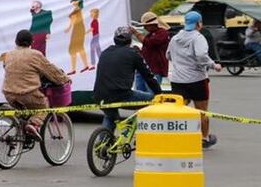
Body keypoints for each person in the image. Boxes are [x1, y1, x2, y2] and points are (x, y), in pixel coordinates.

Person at [0, 29, 71, 136]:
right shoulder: (35, 55)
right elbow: (51, 71)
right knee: (44, 105)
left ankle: (21, 130)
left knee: (22, 112)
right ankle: (34, 124)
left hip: (8, 93)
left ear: (16, 41)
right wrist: (64, 79)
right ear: (31, 43)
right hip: (27, 93)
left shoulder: (8, 55)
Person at [168, 10, 222, 149]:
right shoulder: (198, 38)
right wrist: (214, 65)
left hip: (178, 80)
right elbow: (201, 55)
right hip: (197, 80)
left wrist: (180, 63)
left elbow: (168, 55)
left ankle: (180, 137)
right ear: (198, 24)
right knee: (202, 111)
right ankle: (204, 138)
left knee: (180, 111)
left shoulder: (175, 38)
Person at [93, 26, 162, 130]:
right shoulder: (133, 54)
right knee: (153, 99)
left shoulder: (105, 52)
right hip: (121, 95)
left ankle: (103, 139)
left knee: (110, 116)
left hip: (99, 95)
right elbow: (148, 76)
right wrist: (159, 93)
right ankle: (137, 129)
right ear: (130, 40)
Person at [131, 11, 170, 94]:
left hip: (155, 70)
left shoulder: (163, 33)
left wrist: (135, 33)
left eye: (146, 25)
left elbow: (150, 43)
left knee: (151, 94)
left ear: (154, 24)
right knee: (140, 94)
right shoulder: (150, 35)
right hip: (144, 68)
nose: (145, 27)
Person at [64, 0, 92, 75]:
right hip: (76, 29)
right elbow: (73, 20)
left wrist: (69, 27)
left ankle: (84, 66)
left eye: (74, 1)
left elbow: (73, 17)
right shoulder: (76, 10)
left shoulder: (78, 9)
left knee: (77, 48)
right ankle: (81, 67)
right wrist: (69, 28)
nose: (73, 2)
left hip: (79, 29)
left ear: (78, 1)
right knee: (76, 48)